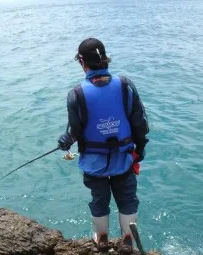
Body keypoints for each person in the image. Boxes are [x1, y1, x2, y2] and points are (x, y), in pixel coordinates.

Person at [57, 38, 149, 254]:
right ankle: (127, 241)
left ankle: (102, 240)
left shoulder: (76, 94)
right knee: (127, 200)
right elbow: (140, 123)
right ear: (105, 58)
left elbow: (74, 131)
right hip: (124, 158)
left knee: (99, 200)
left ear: (82, 62)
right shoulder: (125, 85)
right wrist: (140, 150)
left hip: (93, 162)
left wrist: (65, 141)